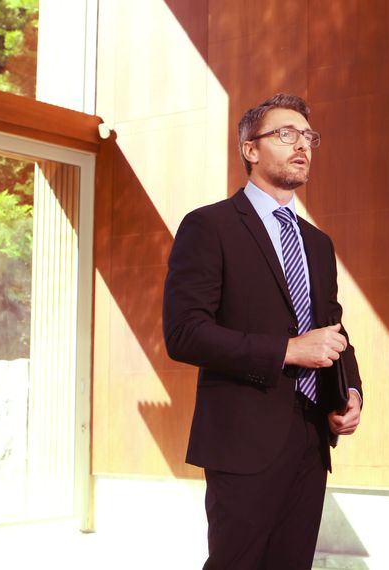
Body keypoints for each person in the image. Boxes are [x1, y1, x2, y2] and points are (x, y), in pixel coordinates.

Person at [163, 93, 363, 569]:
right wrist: (287, 351)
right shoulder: (209, 226)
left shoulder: (317, 242)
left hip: (311, 439)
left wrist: (351, 391)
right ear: (250, 150)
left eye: (309, 137)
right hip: (243, 438)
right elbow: (184, 333)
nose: (303, 147)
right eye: (286, 135)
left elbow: (334, 329)